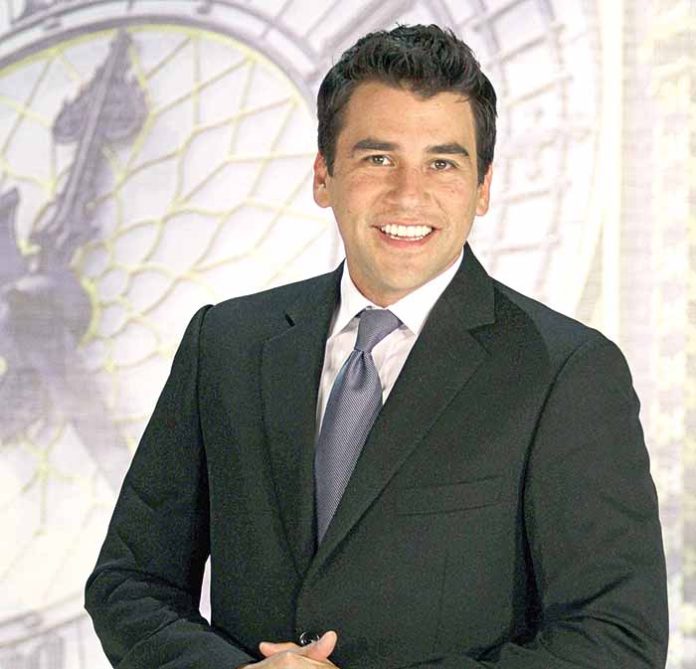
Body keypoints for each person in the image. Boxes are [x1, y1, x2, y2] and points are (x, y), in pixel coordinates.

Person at [85, 24, 669, 668]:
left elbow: (616, 639)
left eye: (442, 163)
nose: (408, 194)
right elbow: (129, 582)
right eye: (378, 159)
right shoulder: (226, 343)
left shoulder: (566, 371)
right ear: (323, 175)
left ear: (483, 188)